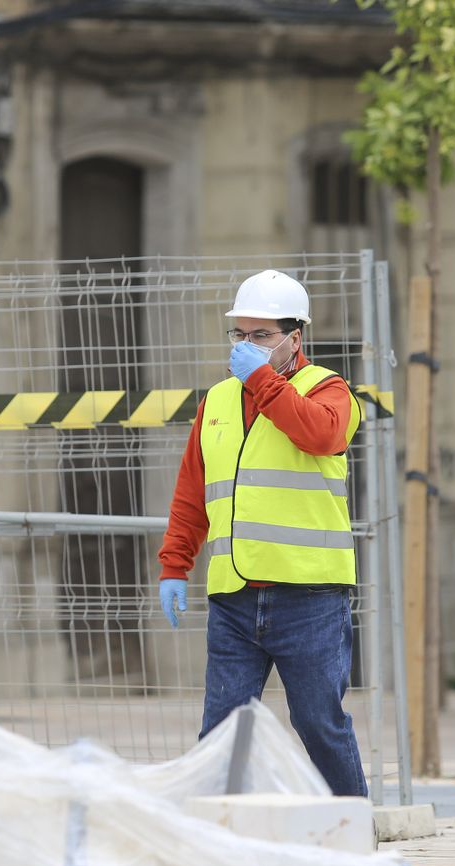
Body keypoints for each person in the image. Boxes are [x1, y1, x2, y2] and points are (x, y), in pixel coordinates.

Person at [156, 269, 367, 796]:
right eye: (240, 335)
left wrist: (261, 380)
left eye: (261, 335)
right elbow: (192, 493)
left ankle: (352, 831)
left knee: (319, 725)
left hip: (310, 597)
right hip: (234, 598)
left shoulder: (330, 390)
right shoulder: (218, 402)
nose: (247, 346)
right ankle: (213, 842)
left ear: (295, 338)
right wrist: (174, 566)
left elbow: (321, 433)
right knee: (221, 733)